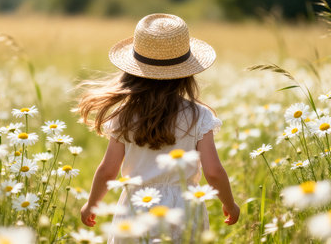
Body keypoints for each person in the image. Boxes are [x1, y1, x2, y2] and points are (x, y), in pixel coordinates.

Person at [78, 13, 239, 243]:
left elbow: (107, 171)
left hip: (136, 207)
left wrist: (91, 204)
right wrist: (229, 204)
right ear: (187, 74)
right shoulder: (199, 115)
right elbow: (213, 171)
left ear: (134, 71)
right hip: (184, 208)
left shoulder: (124, 116)